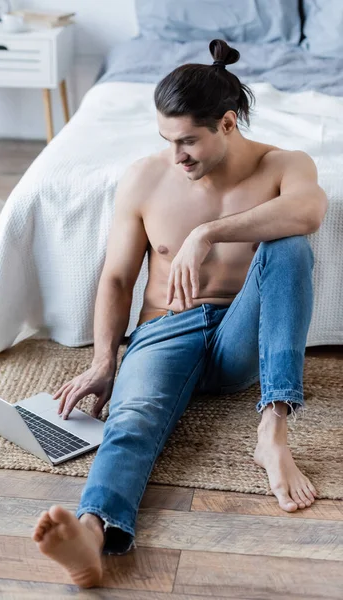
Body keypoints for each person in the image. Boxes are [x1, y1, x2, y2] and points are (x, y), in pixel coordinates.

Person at [32, 39, 328, 588]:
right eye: (167, 140)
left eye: (189, 140)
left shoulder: (283, 165)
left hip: (239, 341)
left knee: (289, 246)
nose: (177, 156)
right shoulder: (145, 178)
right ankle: (93, 533)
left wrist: (206, 233)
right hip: (165, 330)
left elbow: (309, 212)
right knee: (133, 417)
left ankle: (273, 430)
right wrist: (103, 361)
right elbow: (118, 278)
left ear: (228, 123)